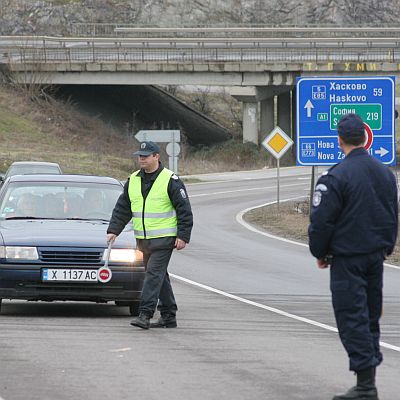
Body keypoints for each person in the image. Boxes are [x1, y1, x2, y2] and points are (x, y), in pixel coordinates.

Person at [308, 113, 398, 400]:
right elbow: (392, 214)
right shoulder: (385, 173)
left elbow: (322, 222)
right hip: (375, 257)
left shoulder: (335, 176)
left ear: (340, 140)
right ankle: (367, 378)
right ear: (364, 137)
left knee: (352, 317)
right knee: (370, 316)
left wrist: (320, 252)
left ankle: (365, 385)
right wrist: (387, 247)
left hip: (348, 259)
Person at [106, 141, 193, 329]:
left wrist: (183, 236)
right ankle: (169, 316)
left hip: (164, 239)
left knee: (153, 275)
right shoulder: (134, 179)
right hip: (144, 240)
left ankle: (145, 314)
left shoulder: (170, 180)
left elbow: (184, 209)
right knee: (159, 276)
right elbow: (123, 207)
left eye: (146, 155)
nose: (142, 159)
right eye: (140, 156)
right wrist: (114, 230)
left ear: (156, 156)